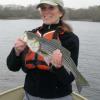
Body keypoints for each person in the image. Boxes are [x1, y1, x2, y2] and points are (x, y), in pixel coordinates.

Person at [7, 0, 79, 100]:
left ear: (61, 12)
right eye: (43, 8)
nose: (46, 11)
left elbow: (68, 79)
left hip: (58, 97)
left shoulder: (70, 39)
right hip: (29, 95)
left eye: (51, 7)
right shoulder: (31, 35)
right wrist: (16, 51)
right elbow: (12, 67)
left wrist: (58, 68)